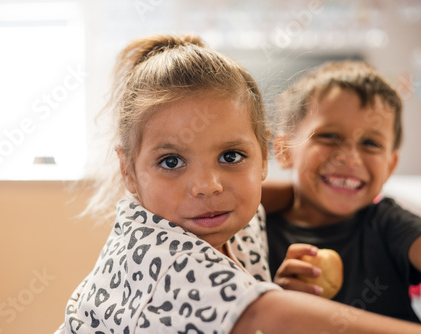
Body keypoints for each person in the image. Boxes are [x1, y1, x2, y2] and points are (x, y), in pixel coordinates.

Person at [55, 35, 421, 333]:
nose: (208, 185)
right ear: (128, 172)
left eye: (230, 156)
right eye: (171, 162)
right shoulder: (159, 250)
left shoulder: (230, 219)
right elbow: (271, 315)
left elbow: (281, 199)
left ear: (263, 157)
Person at [264, 60, 421, 323]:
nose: (349, 158)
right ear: (285, 149)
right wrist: (276, 297)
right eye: (328, 136)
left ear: (390, 167)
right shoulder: (250, 229)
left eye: (370, 143)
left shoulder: (388, 222)